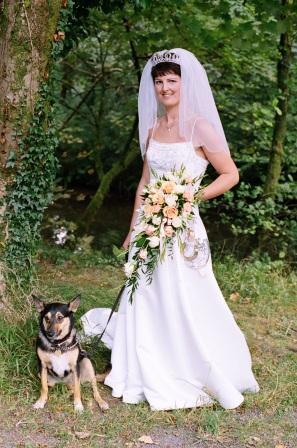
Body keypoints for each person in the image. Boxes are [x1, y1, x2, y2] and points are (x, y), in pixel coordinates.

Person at [81, 48, 260, 410]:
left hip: (184, 229)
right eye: (159, 81)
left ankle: (193, 362)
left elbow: (231, 175)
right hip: (150, 225)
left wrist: (191, 197)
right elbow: (144, 184)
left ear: (184, 84)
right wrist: (133, 229)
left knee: (187, 293)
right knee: (146, 294)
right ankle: (147, 359)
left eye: (171, 81)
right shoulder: (152, 129)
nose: (165, 87)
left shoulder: (200, 126)